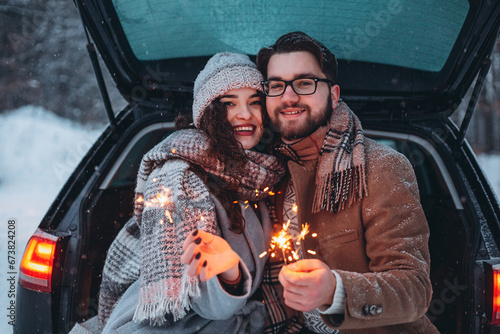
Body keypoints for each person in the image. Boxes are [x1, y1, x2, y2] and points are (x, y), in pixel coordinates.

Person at [69, 52, 285, 334]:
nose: (245, 114)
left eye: (254, 102)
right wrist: (229, 273)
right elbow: (203, 302)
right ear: (209, 114)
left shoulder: (256, 175)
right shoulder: (178, 179)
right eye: (229, 104)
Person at [256, 32, 439, 333]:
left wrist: (336, 291)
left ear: (334, 94)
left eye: (304, 83)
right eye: (276, 85)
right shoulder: (271, 172)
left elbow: (414, 290)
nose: (288, 97)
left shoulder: (381, 167)